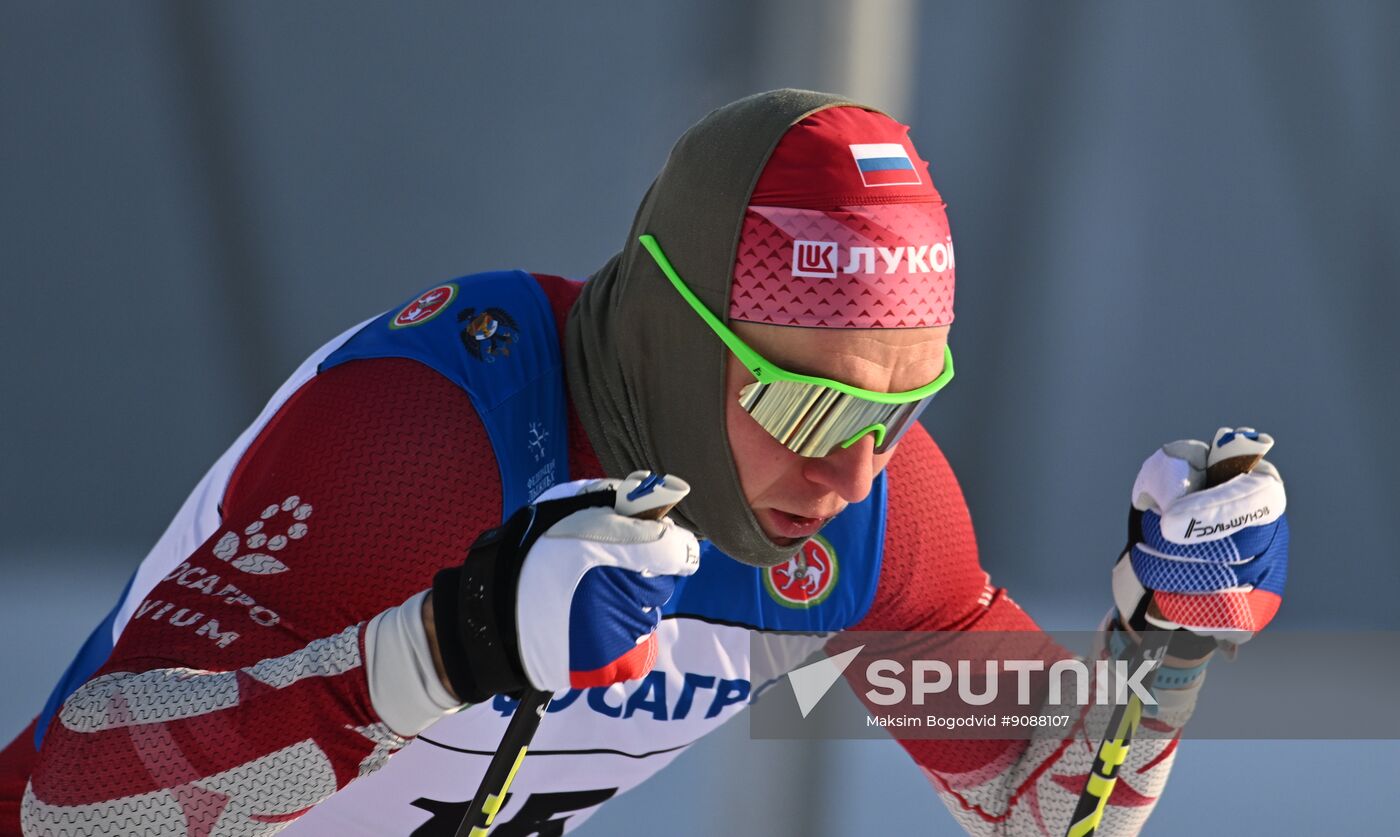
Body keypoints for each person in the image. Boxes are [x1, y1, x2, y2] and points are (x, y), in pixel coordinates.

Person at [0, 89, 1288, 836]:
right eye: (802, 406)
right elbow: (60, 810)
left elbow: (1047, 802)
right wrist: (447, 646)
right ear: (676, 341)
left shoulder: (876, 515)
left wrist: (1164, 655)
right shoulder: (423, 434)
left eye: (899, 413)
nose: (848, 476)